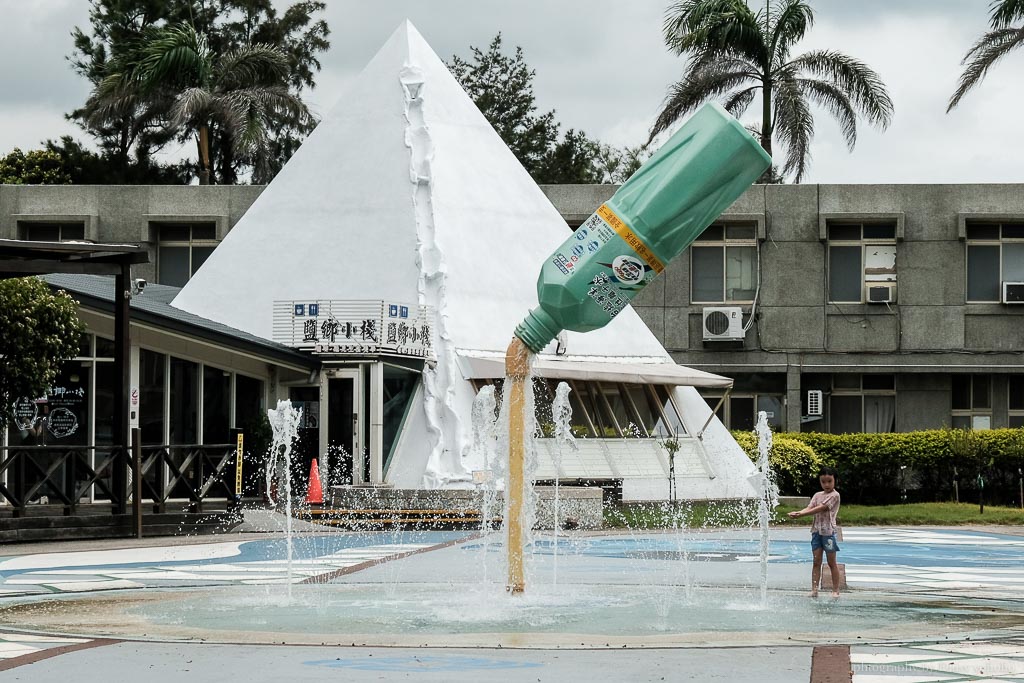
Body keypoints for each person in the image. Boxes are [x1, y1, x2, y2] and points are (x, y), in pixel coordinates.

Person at [788, 467, 842, 598]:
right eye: (823, 482)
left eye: (829, 481)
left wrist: (801, 515)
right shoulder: (817, 495)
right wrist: (799, 512)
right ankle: (814, 589)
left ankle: (835, 590)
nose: (827, 484)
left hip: (828, 533)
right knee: (816, 561)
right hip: (816, 532)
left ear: (835, 481)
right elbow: (810, 507)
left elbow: (820, 508)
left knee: (831, 562)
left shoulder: (835, 495)